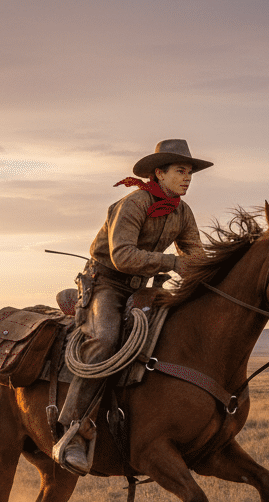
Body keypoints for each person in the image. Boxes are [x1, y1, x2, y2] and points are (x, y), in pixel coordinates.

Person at [52, 139, 212, 475]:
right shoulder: (133, 203)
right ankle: (72, 431)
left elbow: (194, 255)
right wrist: (172, 262)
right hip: (107, 284)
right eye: (180, 171)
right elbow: (122, 256)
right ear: (159, 172)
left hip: (144, 288)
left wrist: (209, 270)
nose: (187, 178)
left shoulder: (182, 212)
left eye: (190, 172)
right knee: (106, 339)